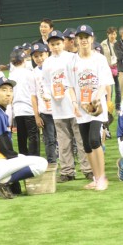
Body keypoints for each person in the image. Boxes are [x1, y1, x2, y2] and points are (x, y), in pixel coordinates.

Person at [0, 77, 48, 199]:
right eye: (4, 90)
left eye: (11, 90)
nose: (8, 93)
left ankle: (1, 181)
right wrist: (16, 158)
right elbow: (3, 144)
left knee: (22, 162)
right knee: (41, 163)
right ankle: (2, 181)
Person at [42, 30, 93, 182]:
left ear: (64, 43)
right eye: (53, 44)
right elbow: (45, 82)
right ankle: (67, 171)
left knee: (81, 140)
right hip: (58, 108)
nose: (56, 47)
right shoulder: (47, 62)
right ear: (49, 45)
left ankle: (88, 169)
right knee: (63, 142)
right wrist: (46, 94)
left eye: (58, 43)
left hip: (75, 106)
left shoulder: (72, 58)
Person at [67, 25, 114, 191]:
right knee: (86, 145)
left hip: (96, 107)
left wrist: (97, 97)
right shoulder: (72, 60)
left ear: (92, 39)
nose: (83, 40)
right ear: (76, 41)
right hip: (81, 108)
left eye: (86, 37)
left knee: (95, 140)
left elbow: (105, 82)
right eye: (80, 37)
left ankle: (102, 177)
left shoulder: (99, 58)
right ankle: (95, 177)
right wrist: (73, 103)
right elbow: (70, 86)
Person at [9, 49, 40, 156]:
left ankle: (23, 158)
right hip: (30, 109)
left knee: (21, 137)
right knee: (33, 136)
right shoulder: (29, 73)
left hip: (17, 109)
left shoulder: (11, 75)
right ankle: (34, 159)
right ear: (23, 60)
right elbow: (34, 91)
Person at [30, 43, 57, 166]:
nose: (39, 58)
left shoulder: (55, 68)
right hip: (45, 112)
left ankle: (69, 162)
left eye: (41, 55)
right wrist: (36, 115)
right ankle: (52, 162)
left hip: (59, 109)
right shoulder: (33, 73)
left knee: (65, 138)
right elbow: (33, 96)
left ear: (47, 54)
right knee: (49, 139)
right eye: (36, 56)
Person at [101, 26, 121, 112]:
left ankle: (118, 107)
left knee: (118, 89)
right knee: (109, 90)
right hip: (107, 69)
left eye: (114, 34)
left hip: (117, 68)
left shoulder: (119, 44)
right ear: (107, 34)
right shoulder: (103, 44)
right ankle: (108, 106)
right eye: (110, 34)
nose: (112, 36)